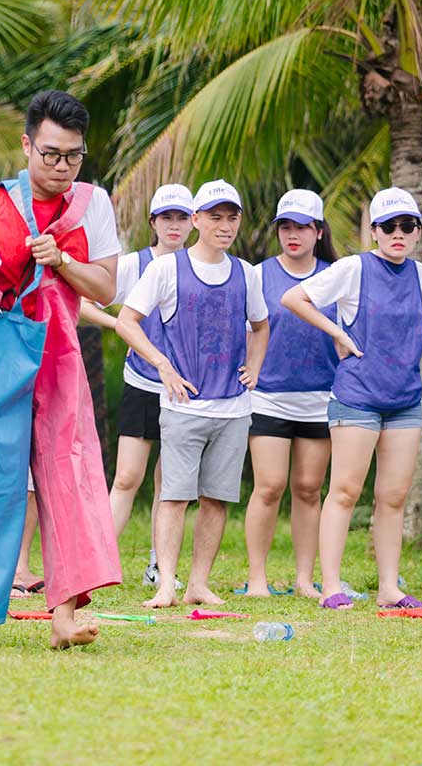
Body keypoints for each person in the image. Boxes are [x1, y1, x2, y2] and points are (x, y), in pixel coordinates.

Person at [0, 90, 122, 649]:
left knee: (68, 478)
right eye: (51, 154)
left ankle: (64, 619)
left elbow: (107, 287)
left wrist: (65, 261)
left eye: (73, 156)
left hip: (60, 357)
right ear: (26, 145)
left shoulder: (93, 204)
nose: (61, 167)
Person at [282, 186, 422, 613]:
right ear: (374, 231)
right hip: (357, 397)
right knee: (345, 490)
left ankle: (389, 588)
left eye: (407, 226)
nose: (398, 233)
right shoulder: (354, 268)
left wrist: (410, 340)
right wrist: (337, 332)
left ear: (417, 232)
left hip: (405, 399)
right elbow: (294, 298)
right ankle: (331, 588)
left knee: (393, 496)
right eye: (388, 226)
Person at [115, 180, 269, 608]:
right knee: (174, 497)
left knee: (216, 499)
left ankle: (199, 584)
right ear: (197, 220)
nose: (225, 226)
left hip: (233, 408)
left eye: (232, 218)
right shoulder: (166, 269)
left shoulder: (246, 273)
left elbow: (261, 325)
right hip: (183, 406)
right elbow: (126, 321)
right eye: (215, 217)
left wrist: (255, 366)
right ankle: (166, 584)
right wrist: (162, 365)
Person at [91, 184, 194, 587]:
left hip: (184, 389)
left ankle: (159, 567)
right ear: (153, 222)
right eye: (166, 218)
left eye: (181, 217)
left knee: (171, 484)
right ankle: (96, 566)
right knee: (127, 478)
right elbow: (84, 301)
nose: (174, 225)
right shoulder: (133, 264)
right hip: (142, 383)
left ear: (194, 222)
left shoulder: (200, 265)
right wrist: (118, 323)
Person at [243, 189, 338, 600]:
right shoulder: (257, 275)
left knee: (309, 488)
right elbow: (246, 331)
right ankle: (257, 579)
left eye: (302, 227)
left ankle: (304, 579)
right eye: (285, 227)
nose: (293, 235)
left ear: (319, 231)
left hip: (322, 398)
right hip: (268, 396)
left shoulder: (337, 274)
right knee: (269, 486)